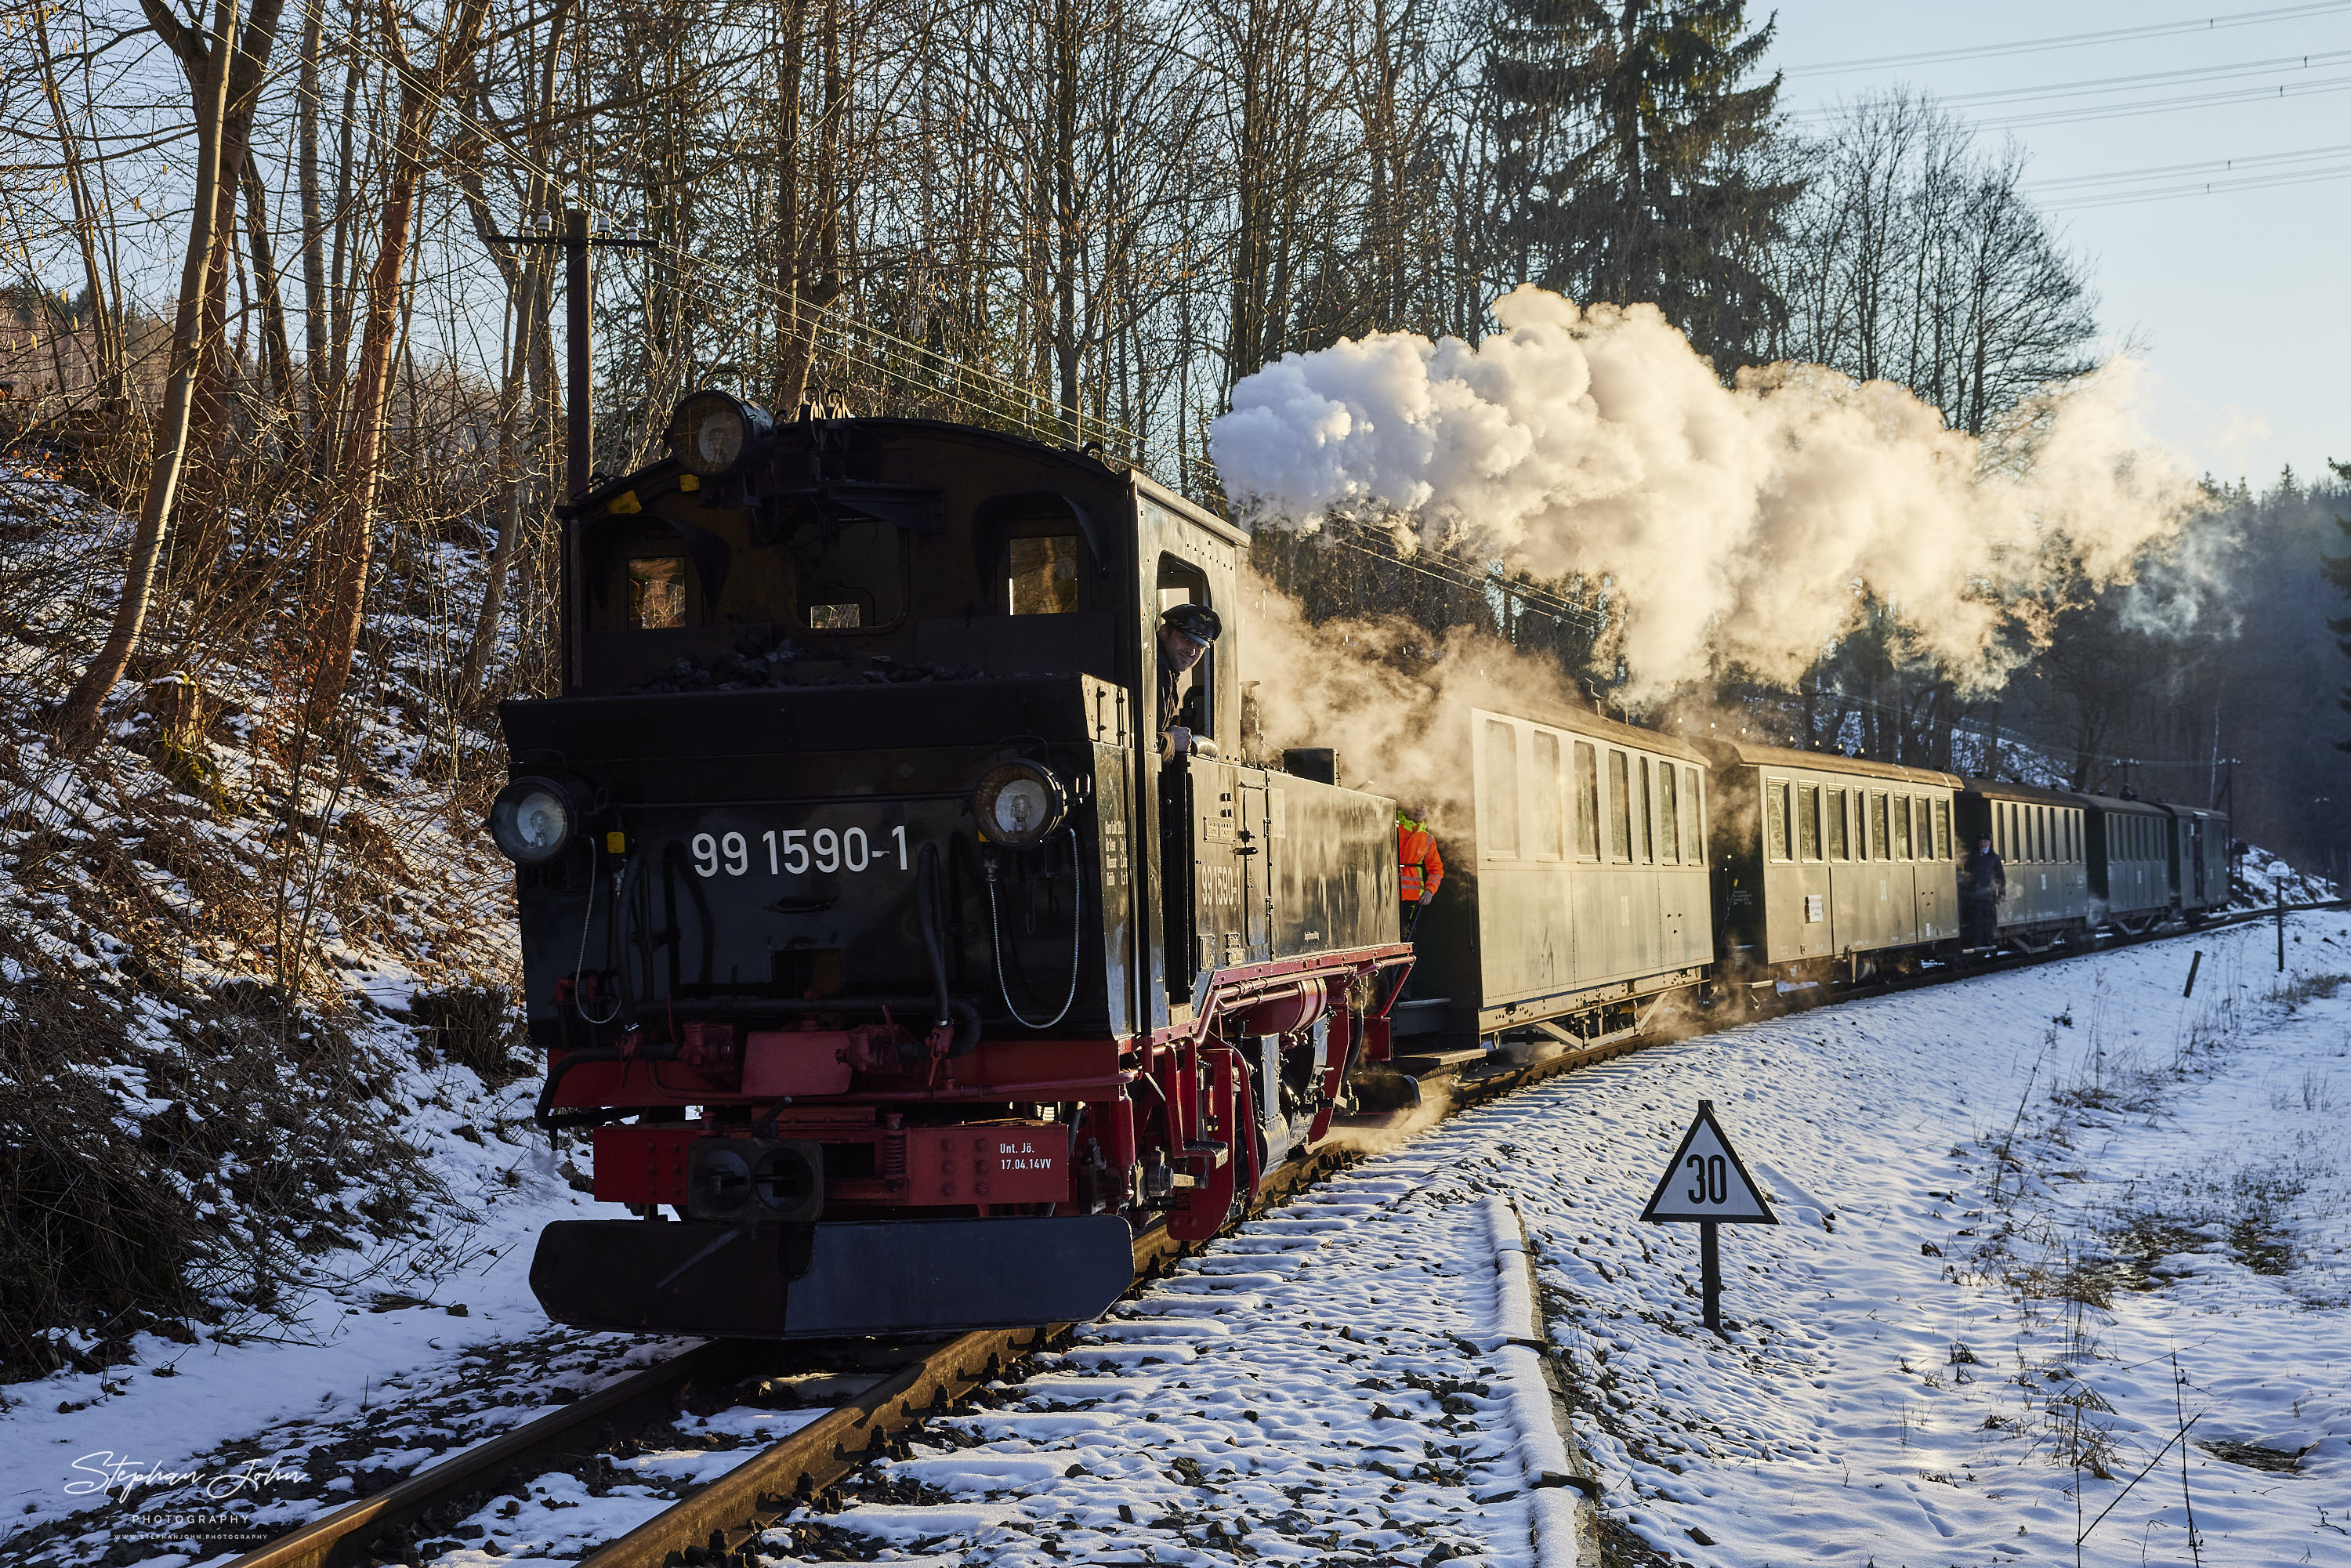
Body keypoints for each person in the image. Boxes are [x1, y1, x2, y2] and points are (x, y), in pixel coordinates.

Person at [1156, 603, 1222, 759]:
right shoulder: (1153, 667)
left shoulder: (1168, 673)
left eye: (1200, 646)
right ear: (1164, 632)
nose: (1192, 651)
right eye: (1186, 639)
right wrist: (1172, 741)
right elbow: (1137, 740)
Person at [1397, 809, 1444, 939]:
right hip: (1389, 895)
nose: (1420, 810)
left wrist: (1430, 890)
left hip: (1413, 897)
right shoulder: (1394, 828)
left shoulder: (1428, 838)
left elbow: (1436, 869)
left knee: (1407, 937)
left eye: (1423, 807)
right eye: (1416, 806)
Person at [1963, 831, 2005, 946]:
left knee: (1989, 919)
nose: (1983, 844)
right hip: (1976, 894)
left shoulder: (1994, 858)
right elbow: (1967, 873)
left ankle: (1988, 940)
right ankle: (1978, 941)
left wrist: (2001, 893)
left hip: (1989, 894)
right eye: (1981, 842)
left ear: (1989, 843)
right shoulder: (1973, 857)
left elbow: (2000, 877)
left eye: (1985, 841)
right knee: (1977, 920)